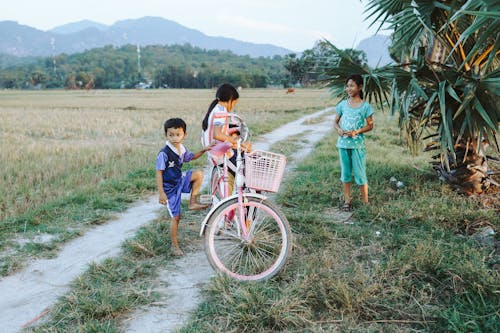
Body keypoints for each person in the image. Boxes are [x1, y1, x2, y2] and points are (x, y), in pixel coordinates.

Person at [156, 118, 209, 256]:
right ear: (166, 135)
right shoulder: (164, 153)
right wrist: (161, 193)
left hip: (179, 180)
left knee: (198, 174)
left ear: (184, 135)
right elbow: (159, 173)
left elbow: (191, 157)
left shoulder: (182, 148)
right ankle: (174, 246)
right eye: (171, 135)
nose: (174, 138)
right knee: (176, 217)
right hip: (169, 188)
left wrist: (204, 150)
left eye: (178, 134)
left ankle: (192, 202)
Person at [333, 74, 374, 212]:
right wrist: (338, 130)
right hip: (343, 145)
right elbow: (335, 121)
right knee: (345, 173)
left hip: (357, 146)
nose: (349, 88)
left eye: (352, 86)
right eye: (347, 86)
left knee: (360, 173)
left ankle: (365, 201)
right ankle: (347, 201)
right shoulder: (342, 105)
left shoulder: (365, 106)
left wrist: (357, 131)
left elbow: (370, 125)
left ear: (360, 87)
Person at [202, 83, 252, 195]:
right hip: (219, 153)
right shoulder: (221, 110)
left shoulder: (215, 109)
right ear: (230, 99)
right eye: (234, 103)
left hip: (215, 150)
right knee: (248, 166)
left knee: (243, 151)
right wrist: (235, 142)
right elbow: (217, 134)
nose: (233, 106)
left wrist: (234, 142)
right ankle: (243, 198)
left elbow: (221, 134)